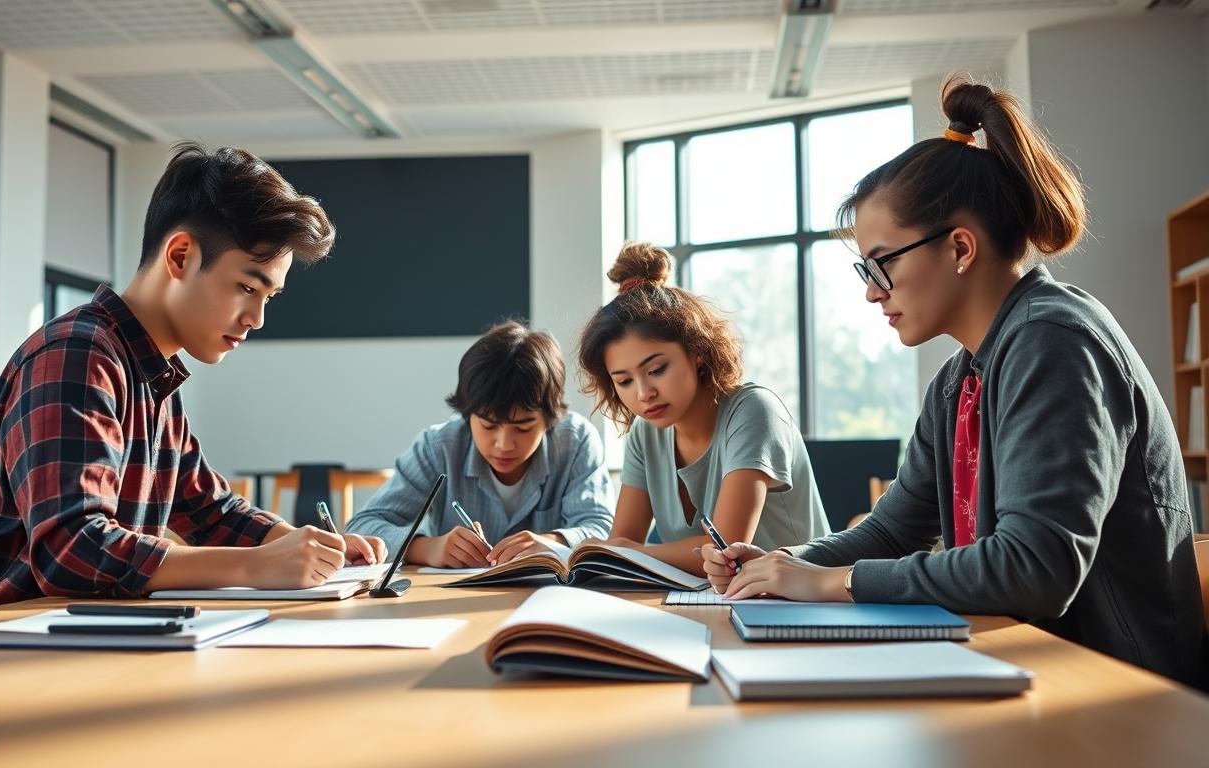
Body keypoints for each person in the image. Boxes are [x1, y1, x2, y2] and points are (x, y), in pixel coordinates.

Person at [701, 77, 1206, 688]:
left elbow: (1034, 567)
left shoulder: (1054, 341)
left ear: (960, 247)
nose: (870, 289)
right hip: (1020, 663)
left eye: (881, 263)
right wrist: (785, 562)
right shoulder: (957, 381)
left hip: (1116, 691)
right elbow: (892, 530)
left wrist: (834, 582)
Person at [0, 142, 384, 619]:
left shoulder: (150, 374)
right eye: (247, 287)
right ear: (180, 256)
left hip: (63, 635)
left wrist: (319, 550)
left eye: (270, 297)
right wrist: (255, 567)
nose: (257, 319)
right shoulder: (76, 354)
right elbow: (73, 550)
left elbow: (208, 510)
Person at [576, 242, 829, 576]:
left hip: (799, 605)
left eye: (656, 370)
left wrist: (633, 552)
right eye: (623, 381)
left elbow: (726, 552)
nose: (644, 393)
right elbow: (621, 546)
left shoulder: (754, 411)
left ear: (697, 352)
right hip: (708, 601)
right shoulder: (645, 433)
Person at [347, 320, 614, 566]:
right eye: (488, 425)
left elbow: (602, 528)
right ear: (467, 414)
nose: (504, 444)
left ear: (550, 418)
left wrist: (554, 542)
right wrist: (428, 548)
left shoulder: (575, 440)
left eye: (523, 427)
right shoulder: (440, 446)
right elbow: (363, 527)